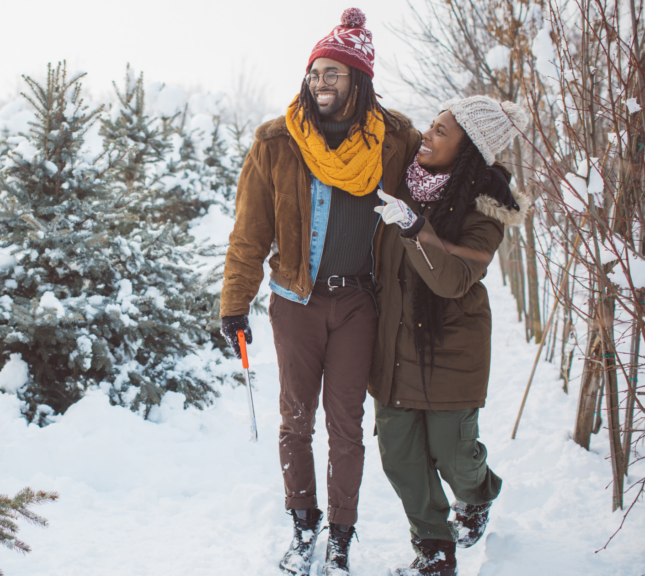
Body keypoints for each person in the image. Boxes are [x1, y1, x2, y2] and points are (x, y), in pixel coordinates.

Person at [219, 8, 421, 576]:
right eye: (314, 72)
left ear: (359, 79)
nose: (320, 83)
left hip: (359, 303)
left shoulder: (394, 141)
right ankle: (303, 526)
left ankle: (341, 537)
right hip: (296, 302)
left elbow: (438, 177)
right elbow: (249, 232)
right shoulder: (277, 142)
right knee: (295, 420)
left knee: (346, 426)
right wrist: (234, 304)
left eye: (333, 73)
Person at [369, 95, 529, 576]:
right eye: (431, 125)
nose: (427, 135)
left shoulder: (486, 208)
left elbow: (454, 279)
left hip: (451, 349)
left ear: (468, 148)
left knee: (453, 454)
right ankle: (434, 549)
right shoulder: (402, 184)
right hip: (395, 347)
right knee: (400, 457)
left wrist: (415, 228)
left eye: (441, 131)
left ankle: (477, 494)